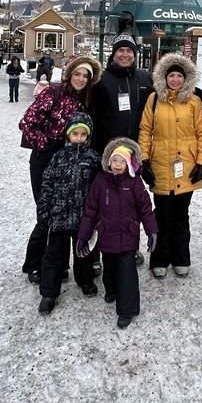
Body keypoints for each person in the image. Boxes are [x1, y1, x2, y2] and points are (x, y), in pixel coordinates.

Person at [18, 56, 102, 284]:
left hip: (72, 163)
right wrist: (47, 144)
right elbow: (27, 123)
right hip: (45, 160)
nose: (81, 79)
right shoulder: (52, 93)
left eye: (86, 76)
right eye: (78, 74)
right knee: (46, 214)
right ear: (69, 74)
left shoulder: (85, 100)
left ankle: (62, 265)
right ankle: (34, 264)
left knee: (69, 215)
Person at [138, 52, 202, 279]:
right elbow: (145, 131)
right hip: (161, 164)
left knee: (181, 215)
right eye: (172, 76)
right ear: (164, 78)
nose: (176, 80)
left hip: (187, 166)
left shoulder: (194, 101)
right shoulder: (154, 100)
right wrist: (144, 160)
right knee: (161, 214)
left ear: (185, 78)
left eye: (180, 76)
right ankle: (159, 257)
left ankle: (181, 257)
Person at [77, 137, 158, 329]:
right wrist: (83, 236)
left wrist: (152, 230)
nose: (118, 165)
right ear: (108, 161)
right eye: (115, 160)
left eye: (122, 161)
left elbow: (146, 209)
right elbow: (90, 211)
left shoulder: (134, 183)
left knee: (127, 272)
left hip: (128, 235)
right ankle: (111, 290)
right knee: (110, 267)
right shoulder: (101, 181)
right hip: (107, 234)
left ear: (129, 163)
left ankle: (127, 309)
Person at [90, 32, 155, 266]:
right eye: (121, 51)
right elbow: (93, 116)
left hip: (134, 155)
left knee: (130, 206)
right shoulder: (102, 80)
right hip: (108, 154)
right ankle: (97, 251)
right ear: (114, 54)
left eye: (129, 51)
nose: (125, 54)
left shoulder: (145, 78)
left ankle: (129, 247)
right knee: (104, 205)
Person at [37, 113, 102, 315]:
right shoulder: (58, 157)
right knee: (54, 255)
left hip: (83, 217)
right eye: (76, 134)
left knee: (83, 253)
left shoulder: (93, 158)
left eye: (83, 134)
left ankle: (85, 280)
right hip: (59, 215)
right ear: (68, 135)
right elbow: (47, 182)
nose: (79, 137)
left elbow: (98, 187)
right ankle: (49, 292)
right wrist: (44, 208)